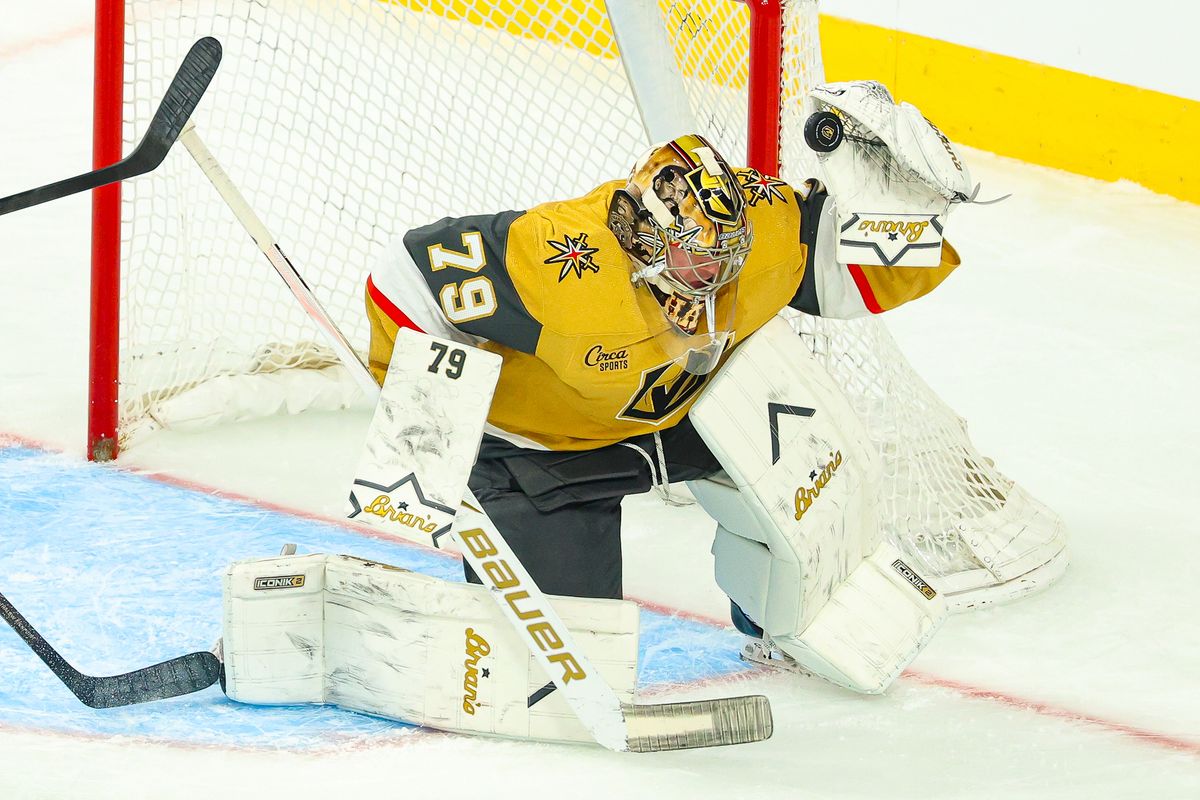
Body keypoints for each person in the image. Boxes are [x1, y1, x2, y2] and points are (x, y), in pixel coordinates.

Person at [362, 125, 960, 612]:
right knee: (566, 656)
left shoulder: (763, 230)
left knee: (814, 481)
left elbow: (841, 275)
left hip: (691, 418)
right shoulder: (559, 259)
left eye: (730, 256)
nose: (718, 276)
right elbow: (408, 273)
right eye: (699, 258)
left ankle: (777, 624)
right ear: (641, 231)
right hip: (539, 452)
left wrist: (913, 208)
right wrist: (425, 427)